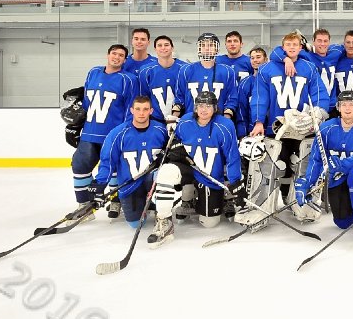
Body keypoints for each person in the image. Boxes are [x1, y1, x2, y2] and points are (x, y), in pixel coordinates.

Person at [246, 31, 330, 225]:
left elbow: (320, 94)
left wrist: (318, 113)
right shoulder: (267, 69)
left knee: (304, 163)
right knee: (268, 165)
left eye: (295, 45)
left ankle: (302, 202)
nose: (292, 48)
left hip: (303, 129)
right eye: (288, 45)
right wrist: (258, 121)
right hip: (275, 129)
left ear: (301, 48)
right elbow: (260, 97)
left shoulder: (309, 67)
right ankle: (261, 206)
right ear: (283, 47)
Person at [155, 90, 243, 244]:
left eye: (208, 106)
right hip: (190, 169)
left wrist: (235, 182)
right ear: (195, 107)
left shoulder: (225, 125)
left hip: (210, 175)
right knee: (166, 172)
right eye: (200, 105)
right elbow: (175, 142)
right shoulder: (185, 121)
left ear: (215, 108)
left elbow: (232, 156)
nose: (203, 110)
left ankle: (218, 198)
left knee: (209, 223)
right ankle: (164, 220)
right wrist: (175, 148)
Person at [294, 91, 353, 244]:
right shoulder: (326, 128)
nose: (347, 108)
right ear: (338, 107)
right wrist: (308, 183)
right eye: (343, 104)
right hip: (336, 178)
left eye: (351, 104)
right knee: (342, 223)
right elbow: (317, 159)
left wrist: (340, 164)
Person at [69, 44, 137, 218]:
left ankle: (115, 201)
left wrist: (125, 132)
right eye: (114, 53)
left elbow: (131, 108)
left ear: (124, 59)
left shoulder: (127, 79)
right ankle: (84, 206)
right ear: (107, 55)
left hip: (112, 134)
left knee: (114, 169)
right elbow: (86, 103)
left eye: (121, 55)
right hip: (89, 132)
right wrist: (75, 124)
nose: (116, 57)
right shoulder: (93, 72)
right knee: (79, 165)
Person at [92, 96, 170, 232]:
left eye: (145, 109)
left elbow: (171, 155)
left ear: (151, 111)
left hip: (152, 179)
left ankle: (160, 209)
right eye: (138, 109)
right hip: (130, 184)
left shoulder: (161, 130)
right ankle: (145, 204)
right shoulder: (118, 133)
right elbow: (108, 161)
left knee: (163, 175)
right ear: (131, 110)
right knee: (135, 224)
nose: (141, 113)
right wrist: (99, 185)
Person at [171, 33, 238, 122]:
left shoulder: (227, 71)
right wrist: (173, 118)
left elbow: (231, 99)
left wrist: (226, 121)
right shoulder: (186, 70)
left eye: (211, 45)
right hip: (191, 121)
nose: (206, 48)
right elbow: (180, 98)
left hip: (217, 120)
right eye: (203, 45)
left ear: (216, 48)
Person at [137, 35, 188, 121]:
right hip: (155, 120)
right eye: (159, 45)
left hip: (181, 119)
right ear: (155, 49)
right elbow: (144, 98)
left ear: (172, 48)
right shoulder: (145, 71)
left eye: (166, 45)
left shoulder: (184, 69)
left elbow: (187, 95)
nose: (163, 48)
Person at [234, 46, 267, 139]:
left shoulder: (272, 81)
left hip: (273, 131)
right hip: (252, 133)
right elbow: (241, 111)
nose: (255, 60)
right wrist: (242, 134)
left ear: (266, 59)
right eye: (252, 58)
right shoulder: (245, 83)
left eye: (258, 57)